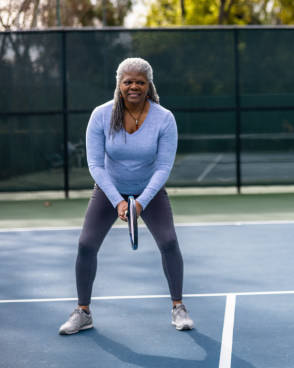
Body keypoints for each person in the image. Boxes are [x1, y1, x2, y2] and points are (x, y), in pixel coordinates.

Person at [59, 57, 194, 335]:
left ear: (149, 85)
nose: (134, 86)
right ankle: (83, 312)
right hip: (110, 190)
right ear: (119, 85)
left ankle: (178, 307)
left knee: (169, 242)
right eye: (128, 81)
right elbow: (95, 165)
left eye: (140, 82)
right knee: (86, 244)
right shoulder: (100, 115)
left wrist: (141, 201)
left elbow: (164, 166)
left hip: (150, 192)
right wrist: (118, 201)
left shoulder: (164, 118)